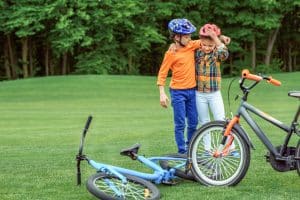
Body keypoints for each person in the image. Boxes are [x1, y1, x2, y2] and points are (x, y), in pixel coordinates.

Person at [157, 18, 201, 154]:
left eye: (189, 36)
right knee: (180, 124)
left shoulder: (191, 45)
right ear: (177, 37)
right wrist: (162, 93)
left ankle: (191, 148)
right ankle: (182, 151)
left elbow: (206, 40)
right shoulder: (171, 53)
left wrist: (220, 37)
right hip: (177, 93)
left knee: (193, 122)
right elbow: (162, 74)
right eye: (186, 36)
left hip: (192, 91)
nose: (189, 39)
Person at [195, 23, 238, 156]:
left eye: (210, 45)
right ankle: (207, 149)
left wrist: (217, 38)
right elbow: (185, 44)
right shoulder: (196, 52)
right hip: (199, 93)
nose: (207, 48)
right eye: (204, 45)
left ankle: (231, 148)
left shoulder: (217, 53)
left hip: (214, 93)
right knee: (204, 122)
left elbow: (224, 53)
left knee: (221, 119)